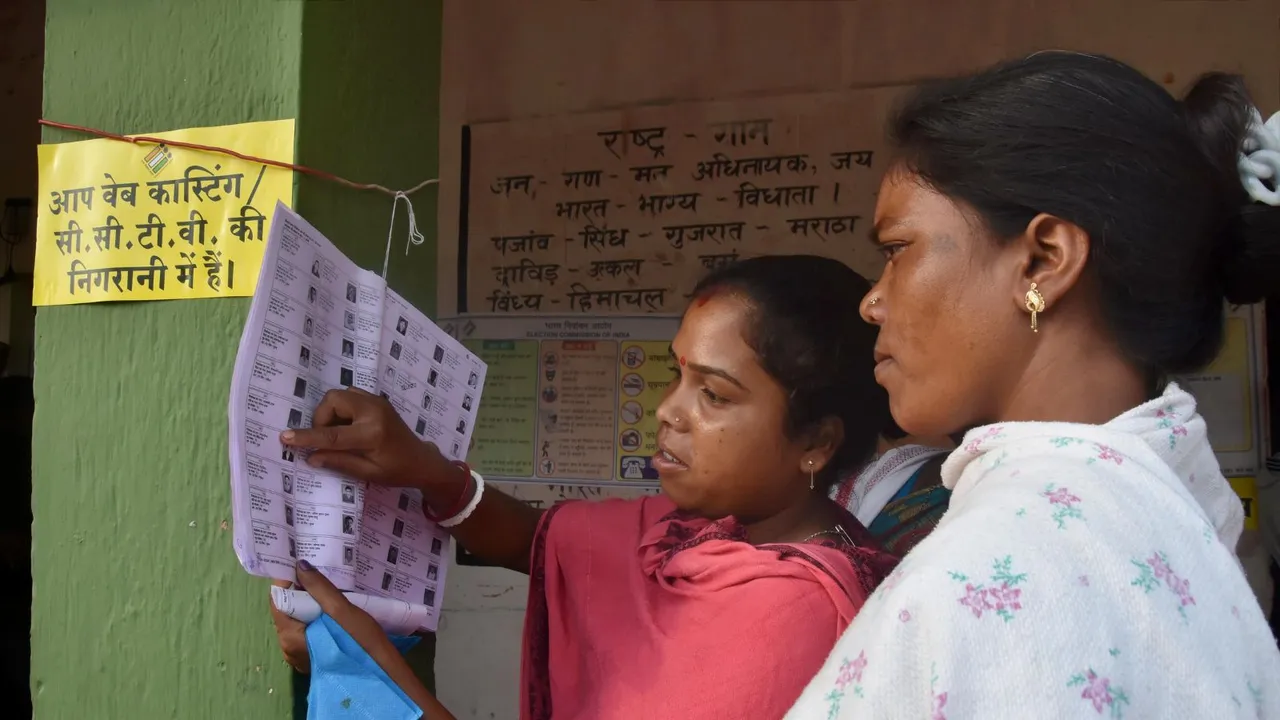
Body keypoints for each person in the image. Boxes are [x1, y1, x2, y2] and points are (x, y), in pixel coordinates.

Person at [788, 51, 1280, 719]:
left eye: (898, 249)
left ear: (1043, 262)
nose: (872, 302)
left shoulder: (981, 577)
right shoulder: (1194, 537)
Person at [271, 256, 900, 719]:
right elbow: (546, 543)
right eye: (676, 375)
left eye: (713, 394)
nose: (668, 411)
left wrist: (369, 672)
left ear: (816, 441)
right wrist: (427, 470)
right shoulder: (704, 530)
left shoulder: (791, 616)